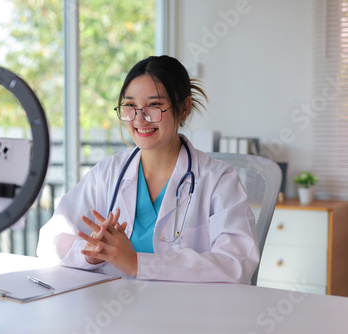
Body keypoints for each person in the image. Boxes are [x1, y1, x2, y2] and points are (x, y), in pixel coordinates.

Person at [36, 55, 259, 284]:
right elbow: (49, 242)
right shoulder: (108, 173)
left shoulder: (219, 180)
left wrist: (136, 263)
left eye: (154, 105)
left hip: (189, 313)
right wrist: (91, 253)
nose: (139, 119)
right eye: (130, 106)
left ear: (183, 109)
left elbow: (236, 264)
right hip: (112, 312)